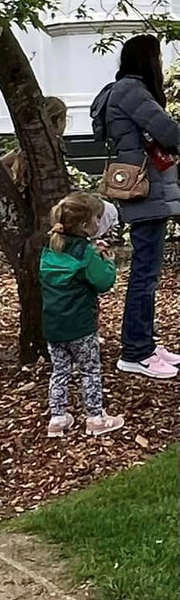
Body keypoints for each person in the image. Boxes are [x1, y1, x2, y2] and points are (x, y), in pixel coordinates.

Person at [91, 34, 180, 381]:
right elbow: (169, 133)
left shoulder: (124, 89)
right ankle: (136, 351)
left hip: (148, 193)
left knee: (147, 274)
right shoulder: (132, 91)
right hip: (147, 193)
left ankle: (145, 344)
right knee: (145, 275)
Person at [41, 191, 123, 438]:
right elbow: (103, 282)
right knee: (90, 370)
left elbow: (69, 267)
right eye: (97, 218)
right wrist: (107, 261)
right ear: (86, 225)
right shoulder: (85, 254)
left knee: (60, 371)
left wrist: (91, 252)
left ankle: (57, 419)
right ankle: (96, 418)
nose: (99, 222)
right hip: (81, 326)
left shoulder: (49, 248)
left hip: (53, 326)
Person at [1, 97, 68, 194]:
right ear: (59, 121)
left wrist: (13, 188)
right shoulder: (55, 143)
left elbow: (3, 162)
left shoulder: (29, 143)